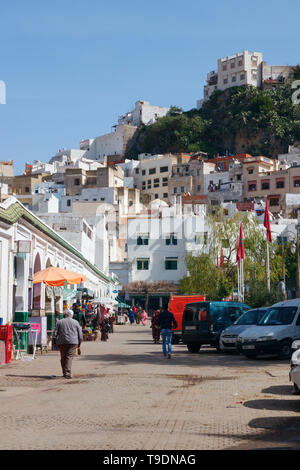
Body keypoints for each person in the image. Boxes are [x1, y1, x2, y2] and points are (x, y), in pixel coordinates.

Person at [52, 309, 83, 379]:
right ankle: (67, 373)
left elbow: (55, 333)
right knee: (69, 357)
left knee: (63, 357)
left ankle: (64, 372)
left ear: (65, 315)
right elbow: (80, 334)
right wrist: (79, 343)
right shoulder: (76, 322)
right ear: (71, 315)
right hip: (73, 342)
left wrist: (53, 342)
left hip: (62, 342)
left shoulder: (59, 322)